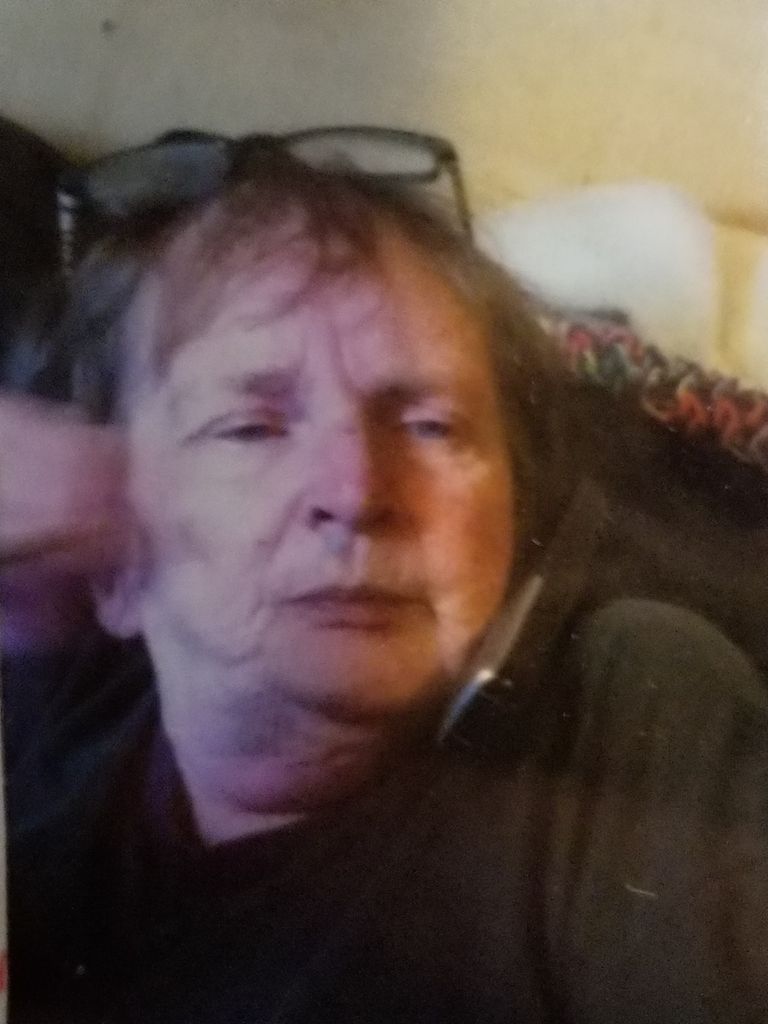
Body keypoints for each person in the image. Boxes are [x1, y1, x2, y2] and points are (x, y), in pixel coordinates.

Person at [5, 145, 768, 1023]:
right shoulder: (61, 700)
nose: (357, 490)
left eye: (433, 425)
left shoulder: (624, 710)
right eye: (251, 428)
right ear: (115, 566)